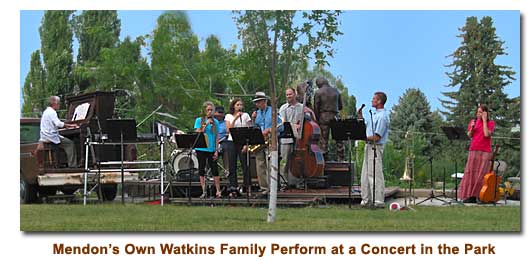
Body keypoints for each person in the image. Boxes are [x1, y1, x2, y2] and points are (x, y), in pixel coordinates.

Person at [358, 92, 390, 208]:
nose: (372, 101)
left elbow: (377, 136)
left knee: (375, 174)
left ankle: (378, 201)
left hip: (375, 147)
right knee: (365, 175)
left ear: (379, 101)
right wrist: (360, 116)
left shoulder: (382, 117)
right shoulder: (375, 115)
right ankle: (366, 199)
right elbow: (367, 129)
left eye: (374, 99)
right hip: (368, 146)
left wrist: (362, 137)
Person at [459, 104, 496, 203]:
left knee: (481, 174)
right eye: (477, 112)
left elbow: (486, 134)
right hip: (474, 149)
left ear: (485, 113)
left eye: (480, 112)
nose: (478, 114)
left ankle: (480, 195)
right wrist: (471, 128)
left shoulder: (491, 123)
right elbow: (469, 135)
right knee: (471, 173)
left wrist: (484, 121)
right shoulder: (473, 122)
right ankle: (470, 195)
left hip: (485, 151)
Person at [251, 92, 281, 195]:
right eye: (256, 102)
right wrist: (253, 119)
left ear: (264, 101)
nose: (257, 104)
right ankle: (264, 188)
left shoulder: (273, 112)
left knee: (270, 164)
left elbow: (281, 126)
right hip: (259, 141)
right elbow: (254, 128)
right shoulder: (257, 113)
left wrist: (269, 130)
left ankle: (273, 188)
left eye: (259, 102)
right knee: (260, 165)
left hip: (270, 140)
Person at [39, 96, 78, 167]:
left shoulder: (46, 112)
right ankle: (72, 165)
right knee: (70, 144)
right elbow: (58, 124)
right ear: (55, 104)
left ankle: (62, 163)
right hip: (51, 137)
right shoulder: (52, 112)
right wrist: (71, 126)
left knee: (64, 141)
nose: (59, 105)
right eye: (59, 103)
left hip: (45, 135)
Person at [224, 98, 252, 197]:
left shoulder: (246, 115)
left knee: (245, 164)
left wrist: (247, 144)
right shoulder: (228, 116)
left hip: (243, 142)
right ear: (233, 106)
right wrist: (235, 118)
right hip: (231, 141)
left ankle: (247, 187)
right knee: (232, 165)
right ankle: (233, 187)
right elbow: (228, 130)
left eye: (241, 105)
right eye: (237, 105)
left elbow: (249, 129)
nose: (239, 106)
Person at [194, 101, 221, 198]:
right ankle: (203, 190)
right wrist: (205, 124)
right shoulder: (199, 120)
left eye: (211, 110)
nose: (210, 112)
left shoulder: (216, 122)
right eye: (208, 110)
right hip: (201, 148)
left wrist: (217, 150)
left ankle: (218, 190)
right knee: (202, 169)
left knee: (215, 169)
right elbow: (198, 133)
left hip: (211, 148)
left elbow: (217, 136)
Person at [314, 77, 345, 161]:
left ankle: (324, 160)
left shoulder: (318, 92)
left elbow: (316, 108)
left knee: (324, 140)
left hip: (323, 117)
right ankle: (341, 159)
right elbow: (341, 106)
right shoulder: (336, 91)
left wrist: (316, 120)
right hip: (335, 116)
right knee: (339, 139)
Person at [279, 87, 304, 187]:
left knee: (299, 161)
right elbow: (282, 122)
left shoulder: (302, 107)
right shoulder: (283, 108)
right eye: (287, 94)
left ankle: (298, 182)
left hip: (300, 138)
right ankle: (284, 183)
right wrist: (293, 126)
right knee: (284, 161)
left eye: (290, 94)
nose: (289, 96)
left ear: (295, 94)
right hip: (286, 138)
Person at [214, 106, 229, 178]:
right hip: (212, 142)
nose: (220, 115)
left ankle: (227, 170)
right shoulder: (211, 122)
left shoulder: (225, 122)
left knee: (226, 148)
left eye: (221, 113)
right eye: (218, 113)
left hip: (223, 141)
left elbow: (227, 134)